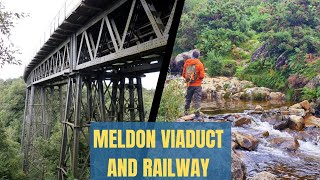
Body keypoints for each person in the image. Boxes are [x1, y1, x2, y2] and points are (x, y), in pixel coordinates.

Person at [182, 50, 205, 120]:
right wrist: (198, 79)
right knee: (197, 100)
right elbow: (202, 76)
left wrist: (189, 79)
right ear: (198, 56)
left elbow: (183, 74)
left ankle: (186, 113)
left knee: (187, 99)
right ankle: (197, 116)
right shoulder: (200, 64)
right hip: (197, 85)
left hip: (189, 85)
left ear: (192, 55)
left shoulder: (187, 62)